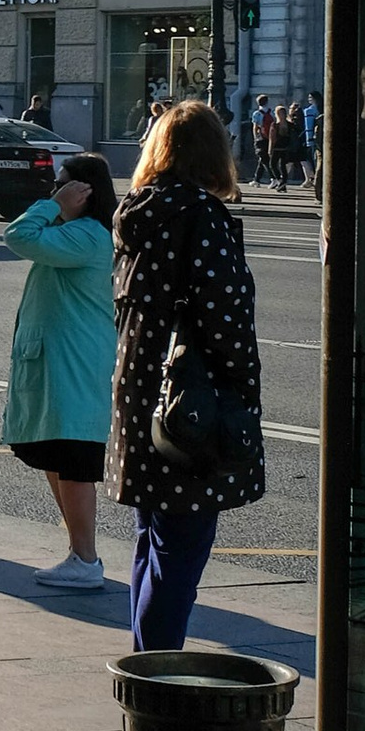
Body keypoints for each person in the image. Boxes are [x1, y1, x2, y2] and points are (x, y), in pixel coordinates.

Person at [106, 99, 264, 652]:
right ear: (214, 155)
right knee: (182, 547)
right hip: (188, 402)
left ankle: (145, 663)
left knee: (152, 538)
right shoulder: (202, 216)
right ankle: (156, 676)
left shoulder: (137, 213)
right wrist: (244, 392)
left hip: (141, 391)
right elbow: (225, 320)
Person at [2, 154, 118, 594]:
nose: (54, 191)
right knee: (56, 452)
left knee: (73, 459)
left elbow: (16, 235)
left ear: (83, 190)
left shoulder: (86, 235)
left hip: (74, 360)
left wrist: (52, 205)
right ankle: (78, 553)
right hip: (63, 358)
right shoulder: (76, 233)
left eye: (63, 184)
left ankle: (86, 558)